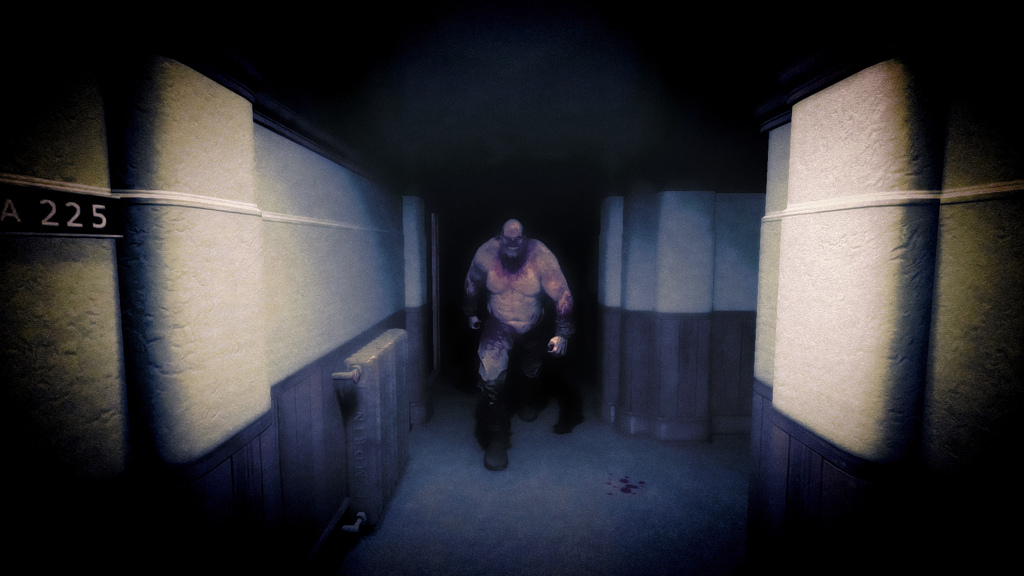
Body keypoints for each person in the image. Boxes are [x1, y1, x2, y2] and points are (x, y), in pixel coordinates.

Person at [462, 218, 576, 471]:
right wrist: (470, 312)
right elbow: (471, 282)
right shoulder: (486, 253)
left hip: (532, 324)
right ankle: (498, 436)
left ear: (525, 238)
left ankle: (526, 399)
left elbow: (562, 294)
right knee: (490, 377)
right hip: (499, 323)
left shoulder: (541, 255)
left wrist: (563, 333)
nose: (512, 243)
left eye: (518, 238)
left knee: (531, 368)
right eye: (507, 238)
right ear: (500, 237)